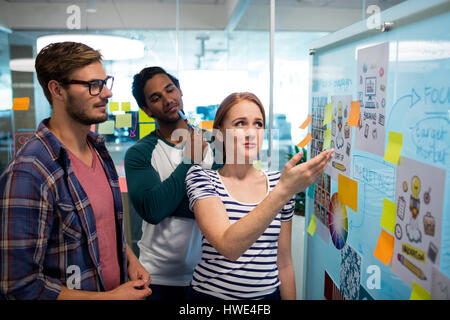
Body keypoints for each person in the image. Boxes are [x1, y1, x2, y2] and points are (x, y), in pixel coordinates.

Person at [0, 42, 151, 300]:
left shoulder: (98, 152)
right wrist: (110, 299)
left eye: (105, 82)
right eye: (93, 85)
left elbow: (101, 229)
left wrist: (130, 260)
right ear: (57, 90)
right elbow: (19, 285)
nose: (106, 93)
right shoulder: (30, 172)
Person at [185, 92, 333, 300]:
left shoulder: (279, 183)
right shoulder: (202, 178)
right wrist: (283, 191)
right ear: (219, 134)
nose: (251, 132)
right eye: (240, 123)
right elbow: (229, 247)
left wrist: (283, 189)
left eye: (258, 124)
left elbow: (284, 262)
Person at [125, 67, 219, 300]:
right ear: (146, 110)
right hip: (158, 278)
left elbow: (227, 204)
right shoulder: (139, 153)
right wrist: (190, 160)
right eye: (155, 98)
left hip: (211, 275)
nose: (168, 100)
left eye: (170, 90)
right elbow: (154, 209)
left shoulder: (217, 146)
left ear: (180, 91)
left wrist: (171, 201)